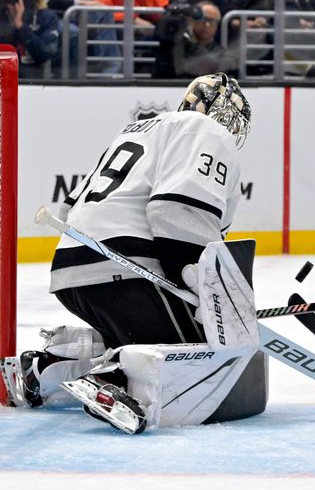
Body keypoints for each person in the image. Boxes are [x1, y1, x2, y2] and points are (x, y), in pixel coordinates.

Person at [3, 73, 266, 435]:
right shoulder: (205, 131)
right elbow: (176, 212)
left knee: (136, 334)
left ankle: (47, 366)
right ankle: (114, 380)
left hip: (73, 271)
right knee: (206, 352)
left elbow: (68, 209)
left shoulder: (139, 130)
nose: (230, 129)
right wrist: (206, 292)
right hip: (127, 270)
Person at [0, 0, 60, 79]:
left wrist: (20, 26)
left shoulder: (47, 17)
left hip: (34, 80)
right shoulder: (2, 13)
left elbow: (45, 55)